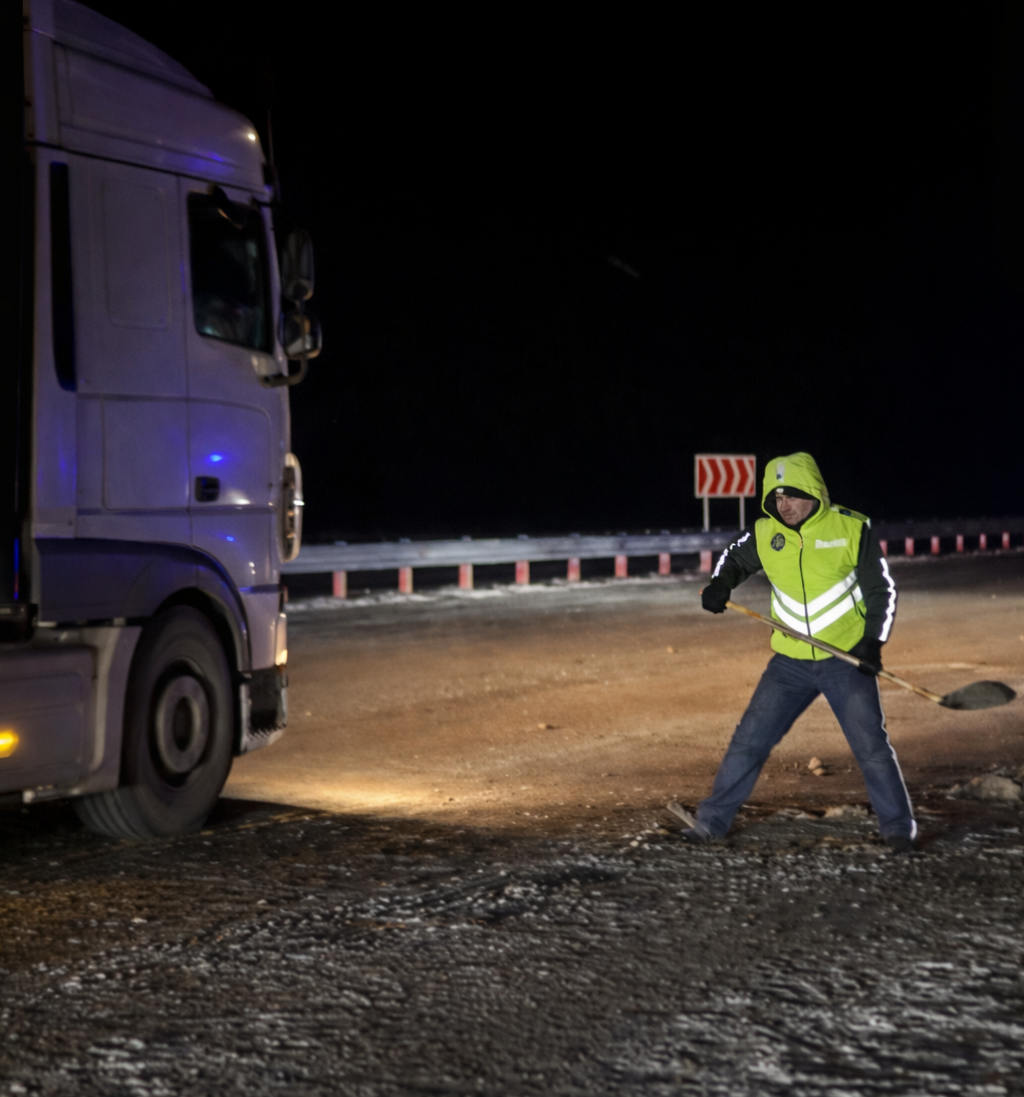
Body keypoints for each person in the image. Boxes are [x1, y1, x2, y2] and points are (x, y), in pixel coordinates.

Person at [680, 451, 915, 852]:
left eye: (790, 495)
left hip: (845, 660)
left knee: (871, 748)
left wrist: (873, 642)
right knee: (749, 740)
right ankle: (710, 824)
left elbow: (881, 591)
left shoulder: (851, 528)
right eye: (775, 498)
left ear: (813, 491)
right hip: (789, 663)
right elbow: (734, 559)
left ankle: (898, 830)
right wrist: (721, 584)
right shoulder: (766, 533)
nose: (782, 505)